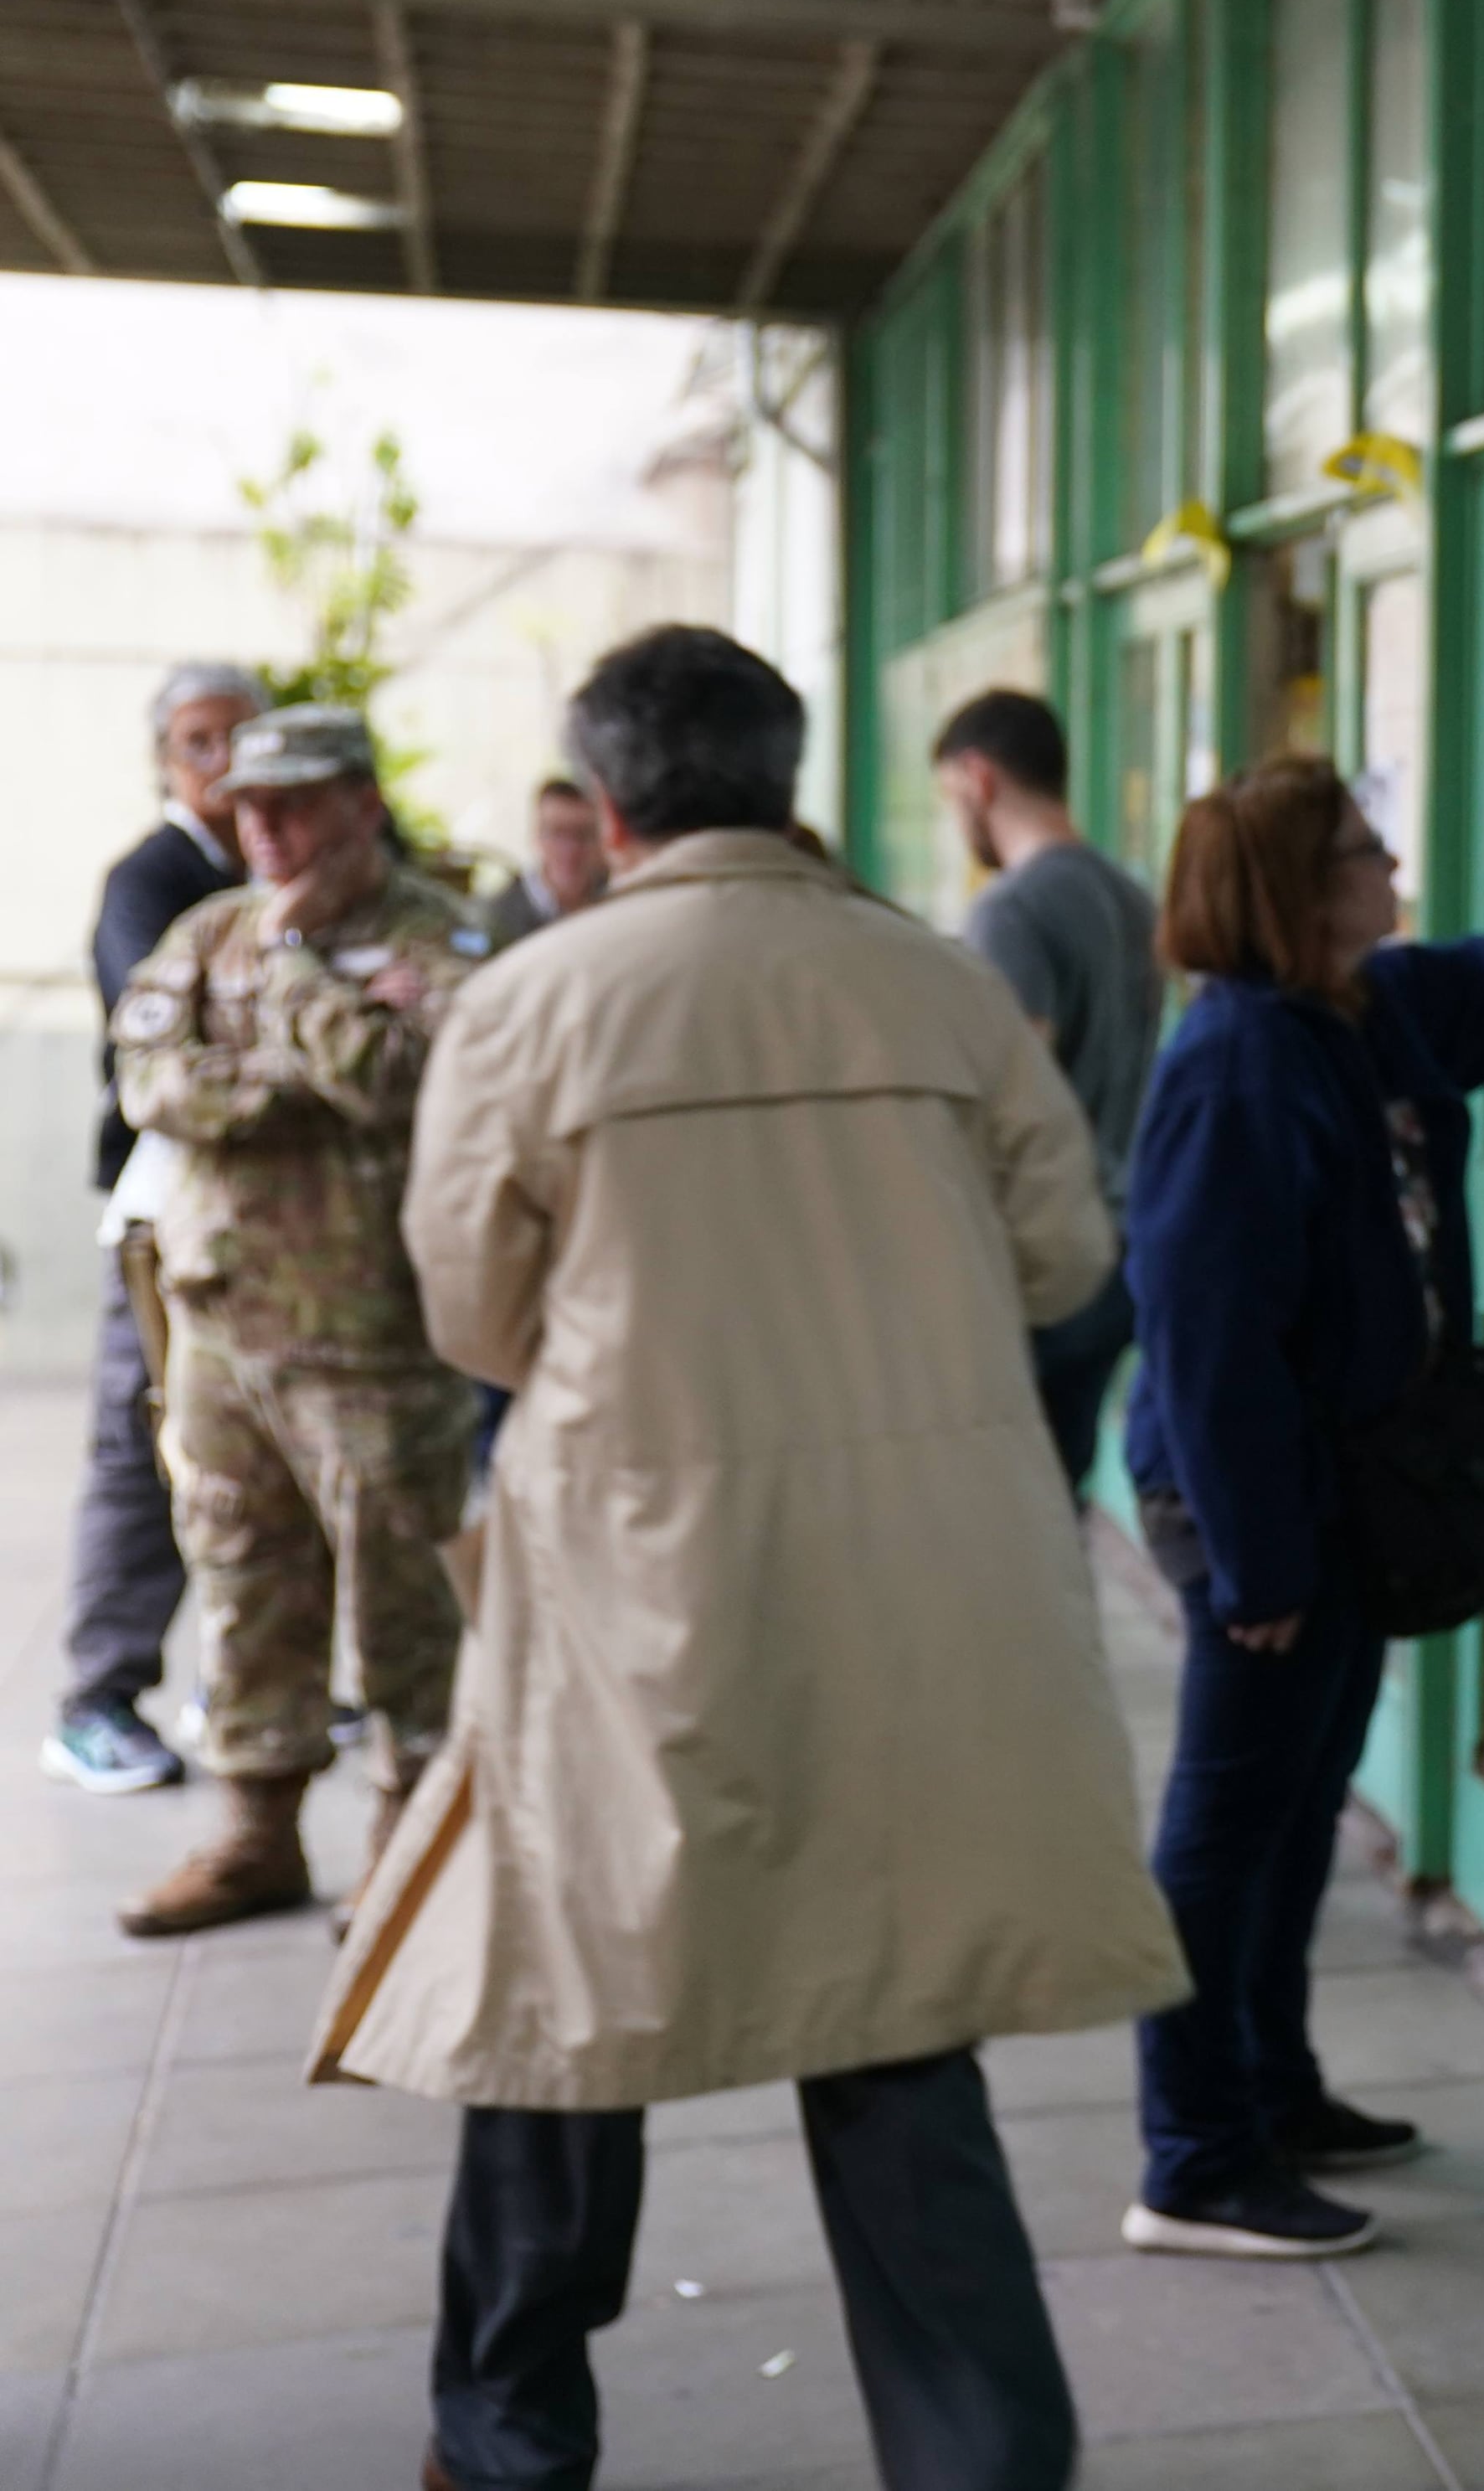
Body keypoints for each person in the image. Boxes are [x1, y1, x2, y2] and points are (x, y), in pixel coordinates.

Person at [332, 626, 1186, 2491]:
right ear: (787, 781)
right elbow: (1061, 1262)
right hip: (912, 1581)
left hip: (636, 1586)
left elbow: (474, 1316)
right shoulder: (938, 986)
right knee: (891, 2011)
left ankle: (506, 2445)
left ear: (610, 799)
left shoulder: (534, 1004)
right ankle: (981, 2459)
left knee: (563, 2004)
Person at [1119, 750, 1484, 2258]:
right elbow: (1205, 1339)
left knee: (1302, 1804)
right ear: (1297, 894)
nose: (1395, 871)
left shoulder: (1357, 1012)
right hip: (1256, 1506)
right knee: (1227, 1826)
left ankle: (1270, 2086)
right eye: (1367, 854)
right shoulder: (1235, 1062)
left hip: (1339, 1491)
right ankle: (1191, 2156)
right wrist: (1258, 1566)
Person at [106, 704, 484, 1935]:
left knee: (399, 1603)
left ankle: (410, 1843)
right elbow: (151, 1078)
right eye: (249, 806)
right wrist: (303, 1063)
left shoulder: (435, 937)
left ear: (362, 804)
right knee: (242, 1577)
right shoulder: (207, 928)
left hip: (372, 1336)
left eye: (295, 802)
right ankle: (256, 1833)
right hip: (224, 1329)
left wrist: (299, 976)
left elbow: (402, 1080)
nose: (262, 827)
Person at [43, 660, 263, 1796]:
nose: (223, 761)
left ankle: (244, 1682)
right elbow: (160, 1035)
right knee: (144, 1446)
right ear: (167, 759)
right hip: (166, 1218)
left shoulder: (278, 868)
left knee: (261, 1453)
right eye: (198, 740)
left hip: (281, 1225)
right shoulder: (153, 874)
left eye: (242, 735)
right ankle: (96, 1700)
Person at [934, 688, 1161, 1497]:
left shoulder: (1011, 910)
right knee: (1060, 1498)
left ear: (978, 778)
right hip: (1123, 1244)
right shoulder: (1129, 897)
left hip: (1046, 1257)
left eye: (950, 798)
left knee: (1001, 1512)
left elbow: (1008, 1098)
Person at [473, 777, 609, 952]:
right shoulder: (497, 915)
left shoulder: (616, 897)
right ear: (536, 836)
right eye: (557, 833)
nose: (570, 850)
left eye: (582, 835)